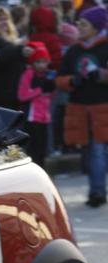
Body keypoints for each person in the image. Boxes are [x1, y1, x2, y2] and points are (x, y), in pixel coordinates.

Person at [56, 6, 108, 207]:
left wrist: (101, 75)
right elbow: (59, 79)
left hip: (101, 108)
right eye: (78, 23)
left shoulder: (105, 48)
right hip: (78, 109)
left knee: (96, 150)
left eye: (83, 24)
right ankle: (97, 187)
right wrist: (72, 80)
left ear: (95, 27)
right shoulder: (74, 51)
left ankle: (97, 193)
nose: (79, 27)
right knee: (87, 154)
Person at [0, 4, 33, 110]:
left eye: (6, 19)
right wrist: (18, 48)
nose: (4, 22)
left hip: (14, 90)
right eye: (0, 20)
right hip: (0, 92)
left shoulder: (12, 37)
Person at [18, 41, 55, 168]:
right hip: (32, 117)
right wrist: (40, 90)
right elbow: (22, 95)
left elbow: (49, 97)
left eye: (43, 61)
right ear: (32, 63)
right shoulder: (28, 74)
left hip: (44, 117)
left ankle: (42, 170)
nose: (41, 65)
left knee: (42, 148)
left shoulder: (48, 75)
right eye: (37, 62)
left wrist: (50, 89)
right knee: (33, 148)